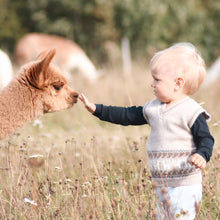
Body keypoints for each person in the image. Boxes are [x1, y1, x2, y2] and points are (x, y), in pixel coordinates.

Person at [79, 42, 214, 220]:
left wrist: (202, 155)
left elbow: (206, 138)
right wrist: (97, 109)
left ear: (178, 83)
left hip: (185, 184)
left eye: (157, 80)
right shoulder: (153, 108)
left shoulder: (191, 111)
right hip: (162, 185)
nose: (152, 84)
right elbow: (127, 115)